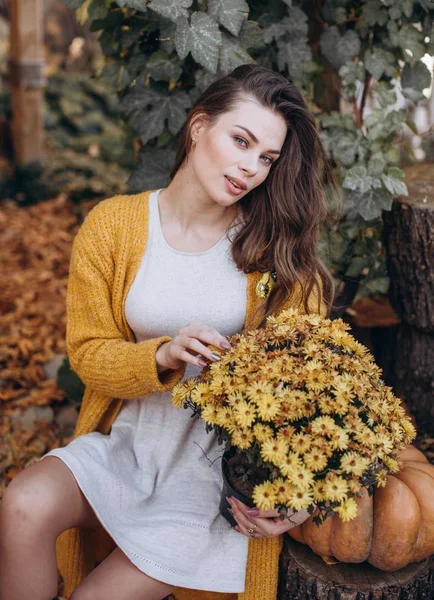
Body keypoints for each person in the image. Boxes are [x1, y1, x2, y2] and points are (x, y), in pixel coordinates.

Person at [0, 64, 336, 600]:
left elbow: (316, 386)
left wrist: (294, 491)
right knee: (21, 502)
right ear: (199, 127)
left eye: (266, 158)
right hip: (126, 446)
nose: (250, 167)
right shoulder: (114, 226)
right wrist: (161, 356)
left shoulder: (274, 252)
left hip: (210, 483)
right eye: (241, 140)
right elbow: (87, 352)